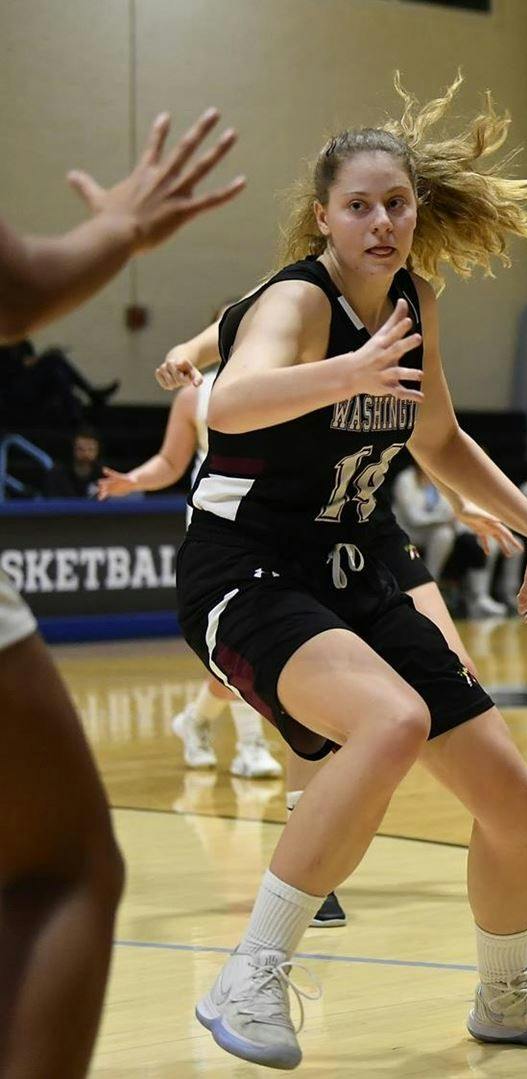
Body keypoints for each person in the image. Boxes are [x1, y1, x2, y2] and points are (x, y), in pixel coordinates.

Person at [172, 77, 527, 1067]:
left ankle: (504, 993)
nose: (381, 220)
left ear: (419, 211)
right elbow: (231, 403)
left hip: (352, 562)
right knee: (390, 720)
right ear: (322, 215)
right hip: (246, 567)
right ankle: (251, 972)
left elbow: (438, 435)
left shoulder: (414, 299)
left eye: (397, 203)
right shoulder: (297, 298)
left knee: (514, 796)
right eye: (360, 205)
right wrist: (346, 373)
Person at [0, 102, 244, 1079]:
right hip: (234, 545)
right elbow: (15, 288)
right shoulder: (220, 386)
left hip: (321, 547)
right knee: (63, 868)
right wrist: (118, 232)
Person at [96, 374, 283, 778]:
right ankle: (250, 745)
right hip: (216, 531)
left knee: (250, 644)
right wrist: (135, 480)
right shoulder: (196, 394)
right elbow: (170, 462)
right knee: (243, 636)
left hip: (277, 524)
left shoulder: (290, 378)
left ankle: (196, 720)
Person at [40, 425, 106, 498]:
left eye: (91, 449)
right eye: (81, 449)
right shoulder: (57, 474)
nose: (86, 454)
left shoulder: (104, 475)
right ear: (73, 449)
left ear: (98, 450)